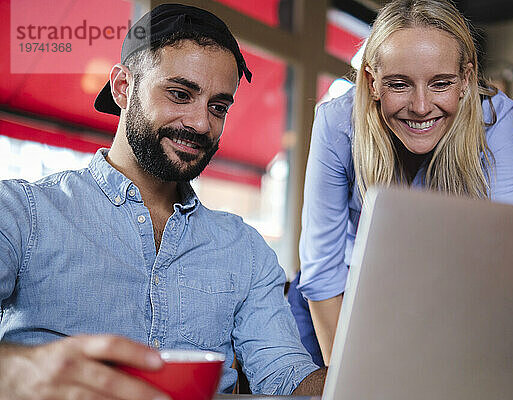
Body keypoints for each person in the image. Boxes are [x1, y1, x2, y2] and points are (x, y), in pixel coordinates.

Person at [0, 4, 326, 399]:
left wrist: (369, 370)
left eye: (218, 106)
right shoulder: (21, 214)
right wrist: (17, 369)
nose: (201, 123)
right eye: (179, 94)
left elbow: (288, 380)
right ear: (123, 88)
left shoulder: (245, 250)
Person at [288, 0, 513, 367]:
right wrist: (345, 378)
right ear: (372, 81)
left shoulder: (493, 119)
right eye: (399, 84)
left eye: (441, 83)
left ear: (466, 79)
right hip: (338, 300)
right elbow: (322, 270)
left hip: (435, 303)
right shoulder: (338, 123)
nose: (420, 106)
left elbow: (507, 257)